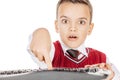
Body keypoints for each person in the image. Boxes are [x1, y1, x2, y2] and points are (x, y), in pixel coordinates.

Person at [28, 0, 120, 80]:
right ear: (57, 26)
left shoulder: (102, 59)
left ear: (90, 28)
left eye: (81, 22)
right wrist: (40, 33)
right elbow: (38, 49)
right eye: (65, 21)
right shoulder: (51, 53)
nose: (73, 28)